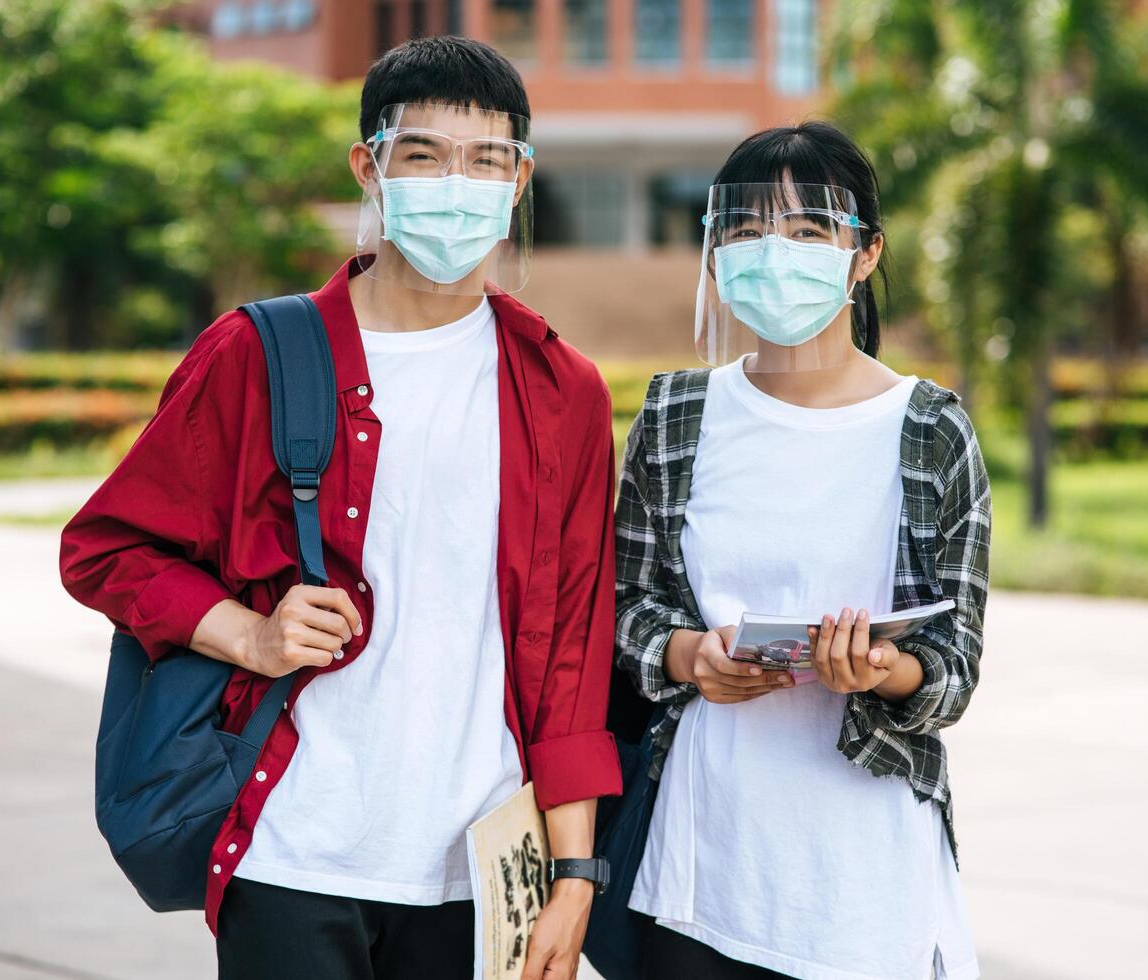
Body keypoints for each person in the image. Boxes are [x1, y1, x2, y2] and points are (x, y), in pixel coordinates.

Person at [60, 36, 621, 980]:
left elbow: (573, 646)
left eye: (486, 159)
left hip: (479, 872)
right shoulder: (255, 355)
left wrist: (574, 875)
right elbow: (105, 550)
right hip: (292, 850)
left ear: (518, 180)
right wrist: (249, 635)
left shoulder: (563, 389)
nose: (458, 182)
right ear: (370, 166)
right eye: (424, 154)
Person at [614, 122, 990, 980]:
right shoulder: (676, 414)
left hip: (864, 876)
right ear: (714, 254)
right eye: (744, 229)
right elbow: (623, 604)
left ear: (864, 254)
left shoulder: (929, 428)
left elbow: (953, 669)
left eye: (807, 229)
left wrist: (881, 670)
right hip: (702, 868)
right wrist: (687, 655)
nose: (771, 250)